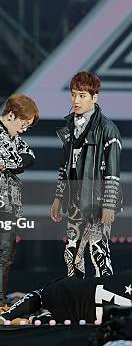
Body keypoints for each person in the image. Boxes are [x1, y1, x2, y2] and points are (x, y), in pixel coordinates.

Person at [50, 71, 122, 278]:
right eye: (73, 94)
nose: (76, 100)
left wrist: (109, 204)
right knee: (72, 255)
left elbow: (113, 171)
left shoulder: (108, 129)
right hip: (74, 201)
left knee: (98, 253)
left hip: (97, 202)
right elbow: (65, 167)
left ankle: (104, 308)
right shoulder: (70, 127)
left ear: (94, 97)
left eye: (82, 95)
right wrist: (58, 198)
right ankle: (77, 307)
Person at [0, 94, 38, 309]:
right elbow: (14, 159)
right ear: (11, 115)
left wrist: (14, 163)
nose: (24, 130)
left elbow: (28, 156)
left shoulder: (9, 136)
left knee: (7, 251)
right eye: (23, 124)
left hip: (7, 201)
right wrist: (14, 162)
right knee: (2, 251)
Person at [0, 270, 132, 325]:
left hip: (75, 295)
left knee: (43, 294)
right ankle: (37, 319)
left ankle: (6, 316)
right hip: (86, 316)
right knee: (63, 318)